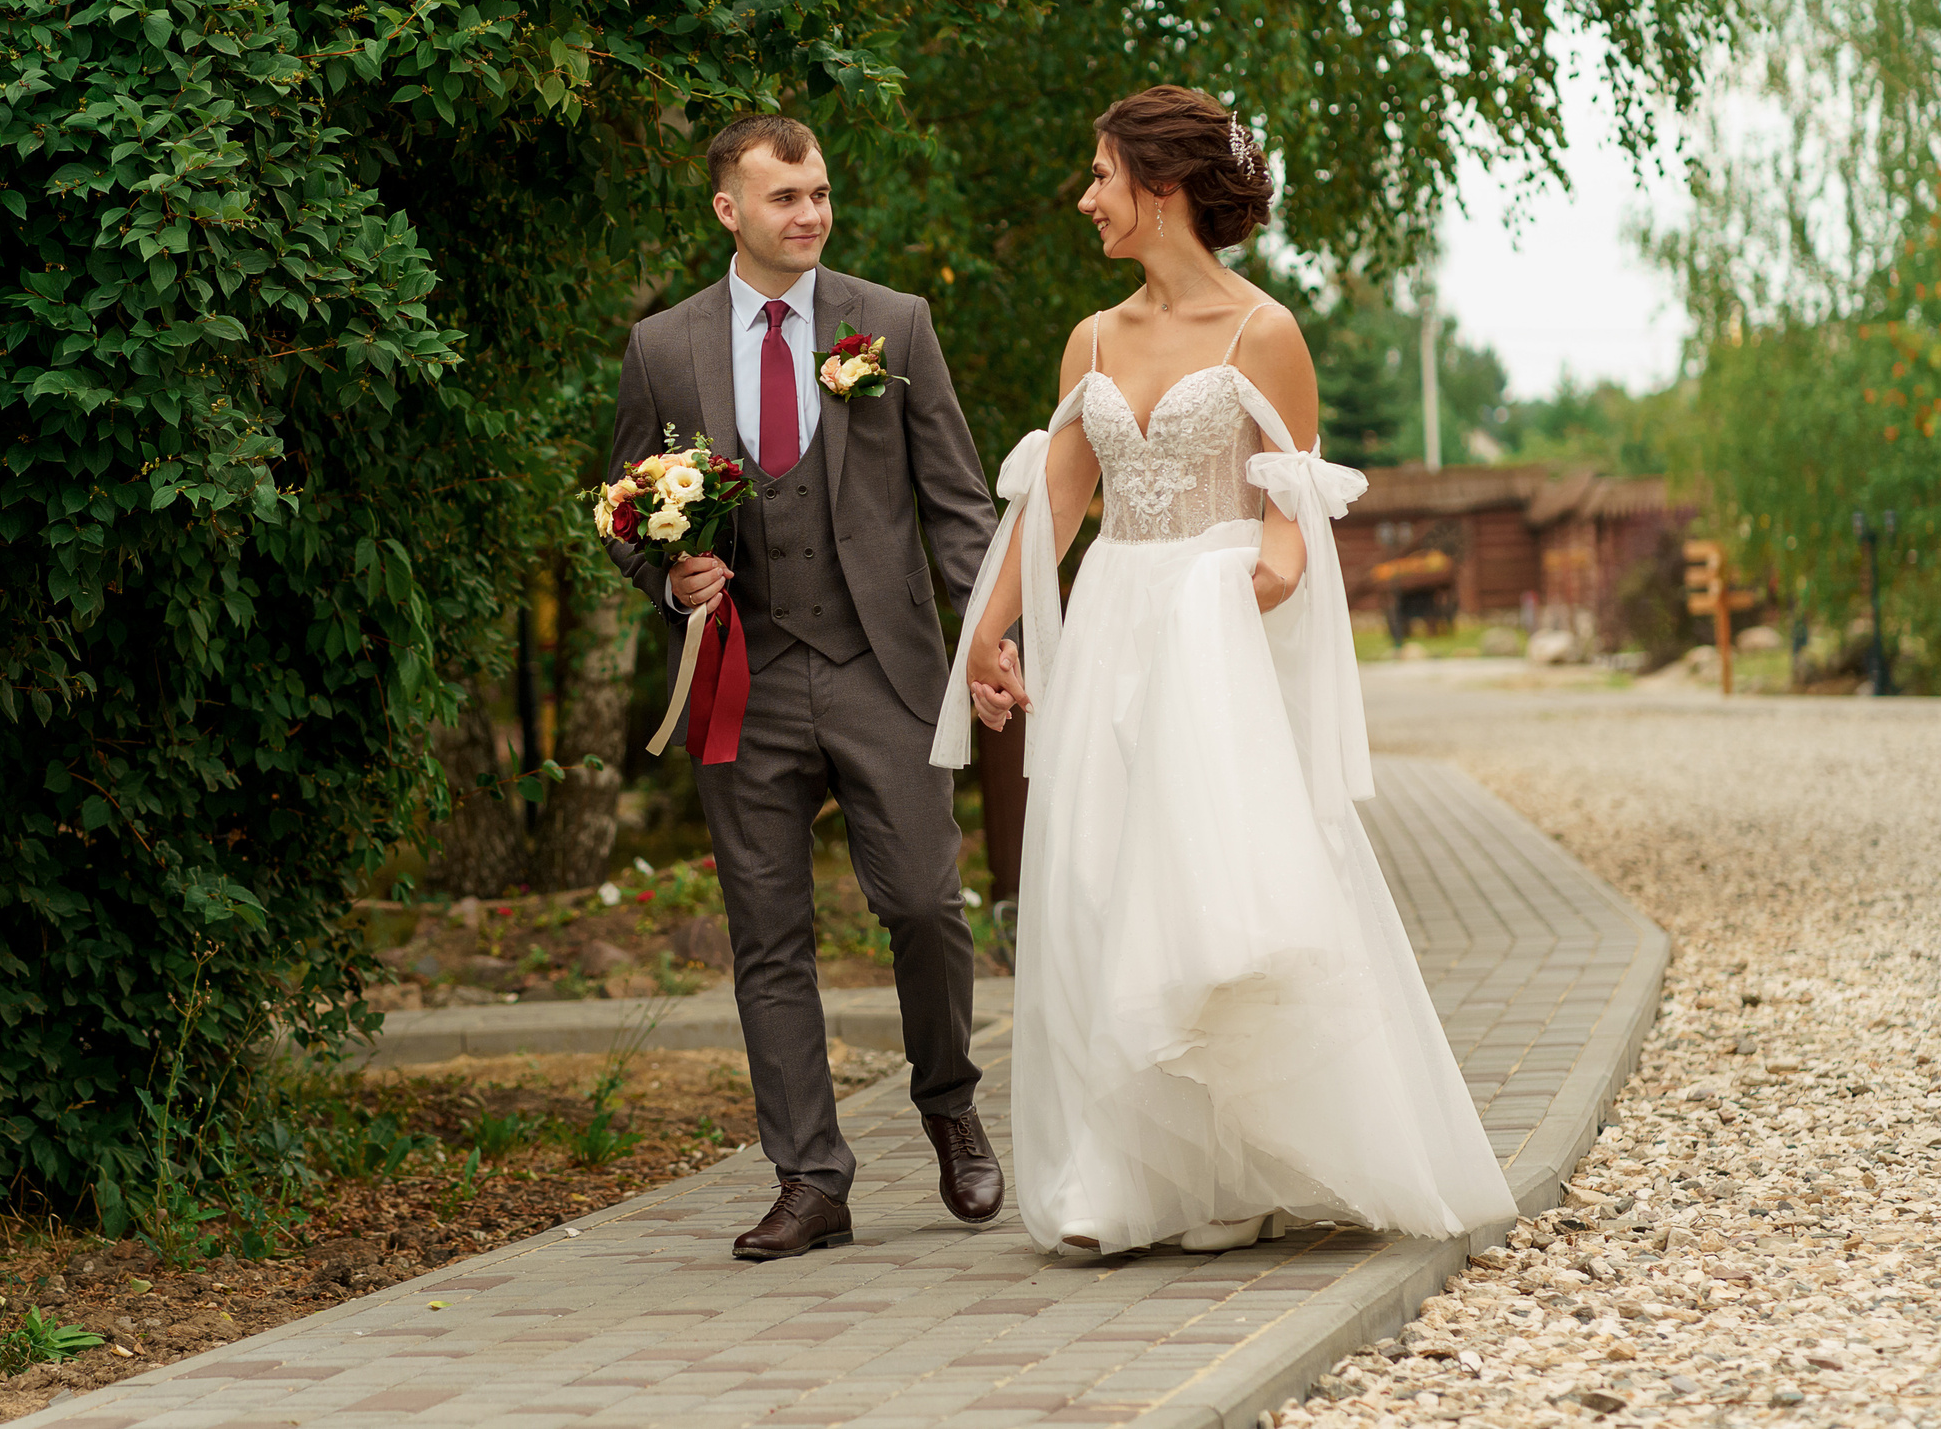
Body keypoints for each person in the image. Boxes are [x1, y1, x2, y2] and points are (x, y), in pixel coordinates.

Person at [937, 86, 1517, 1255]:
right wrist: (987, 636)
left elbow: (1291, 524)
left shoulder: (1266, 334)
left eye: (1101, 175)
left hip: (1209, 645)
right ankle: (1122, 1180)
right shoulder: (1090, 340)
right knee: (1100, 879)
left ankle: (1243, 1169)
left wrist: (1235, 588)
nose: (1087, 199)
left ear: (1159, 187)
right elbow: (1058, 502)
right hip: (1111, 626)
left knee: (1212, 896)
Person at [602, 116, 1007, 1260]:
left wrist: (990, 638)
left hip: (883, 665)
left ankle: (949, 1106)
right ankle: (811, 1179)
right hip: (743, 675)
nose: (811, 214)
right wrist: (671, 580)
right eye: (784, 197)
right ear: (728, 209)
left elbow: (957, 502)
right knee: (768, 936)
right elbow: (623, 506)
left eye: (819, 192)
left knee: (924, 904)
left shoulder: (893, 323)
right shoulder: (662, 345)